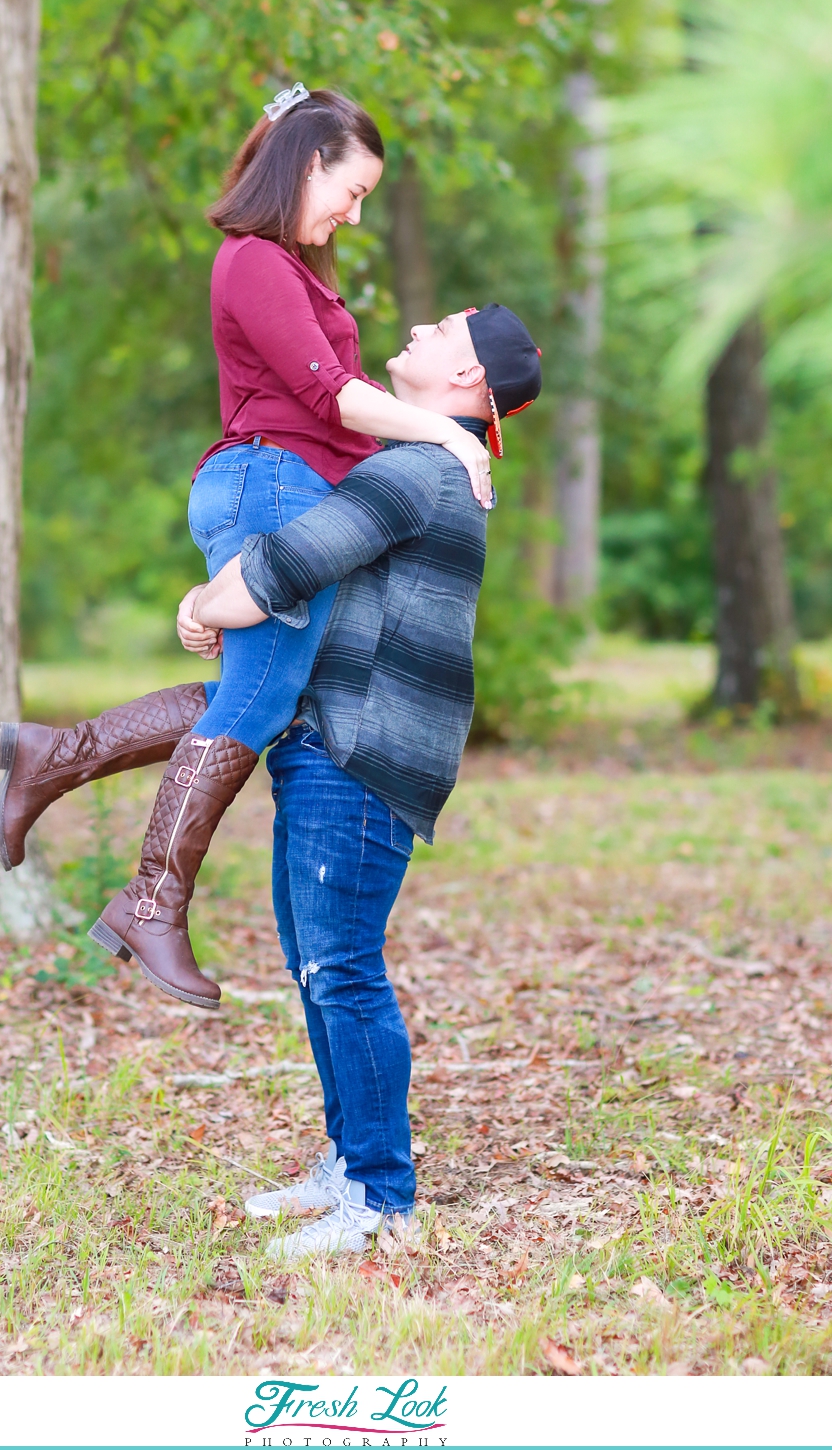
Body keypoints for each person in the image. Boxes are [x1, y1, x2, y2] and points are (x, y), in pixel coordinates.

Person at [0, 86, 492, 1010]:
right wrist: (452, 436)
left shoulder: (294, 270)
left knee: (258, 693)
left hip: (285, 484)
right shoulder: (254, 261)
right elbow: (333, 399)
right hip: (269, 480)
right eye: (353, 189)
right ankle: (149, 900)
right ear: (309, 163)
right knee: (259, 702)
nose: (355, 211)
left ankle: (57, 758)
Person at [175, 303, 541, 1260]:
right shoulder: (427, 463)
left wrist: (204, 602)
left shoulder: (418, 471)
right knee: (316, 964)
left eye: (444, 331)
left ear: (470, 383)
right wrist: (220, 598)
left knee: (342, 968)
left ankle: (380, 1197)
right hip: (330, 744)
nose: (419, 328)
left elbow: (287, 566)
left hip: (363, 752)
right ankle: (349, 1164)